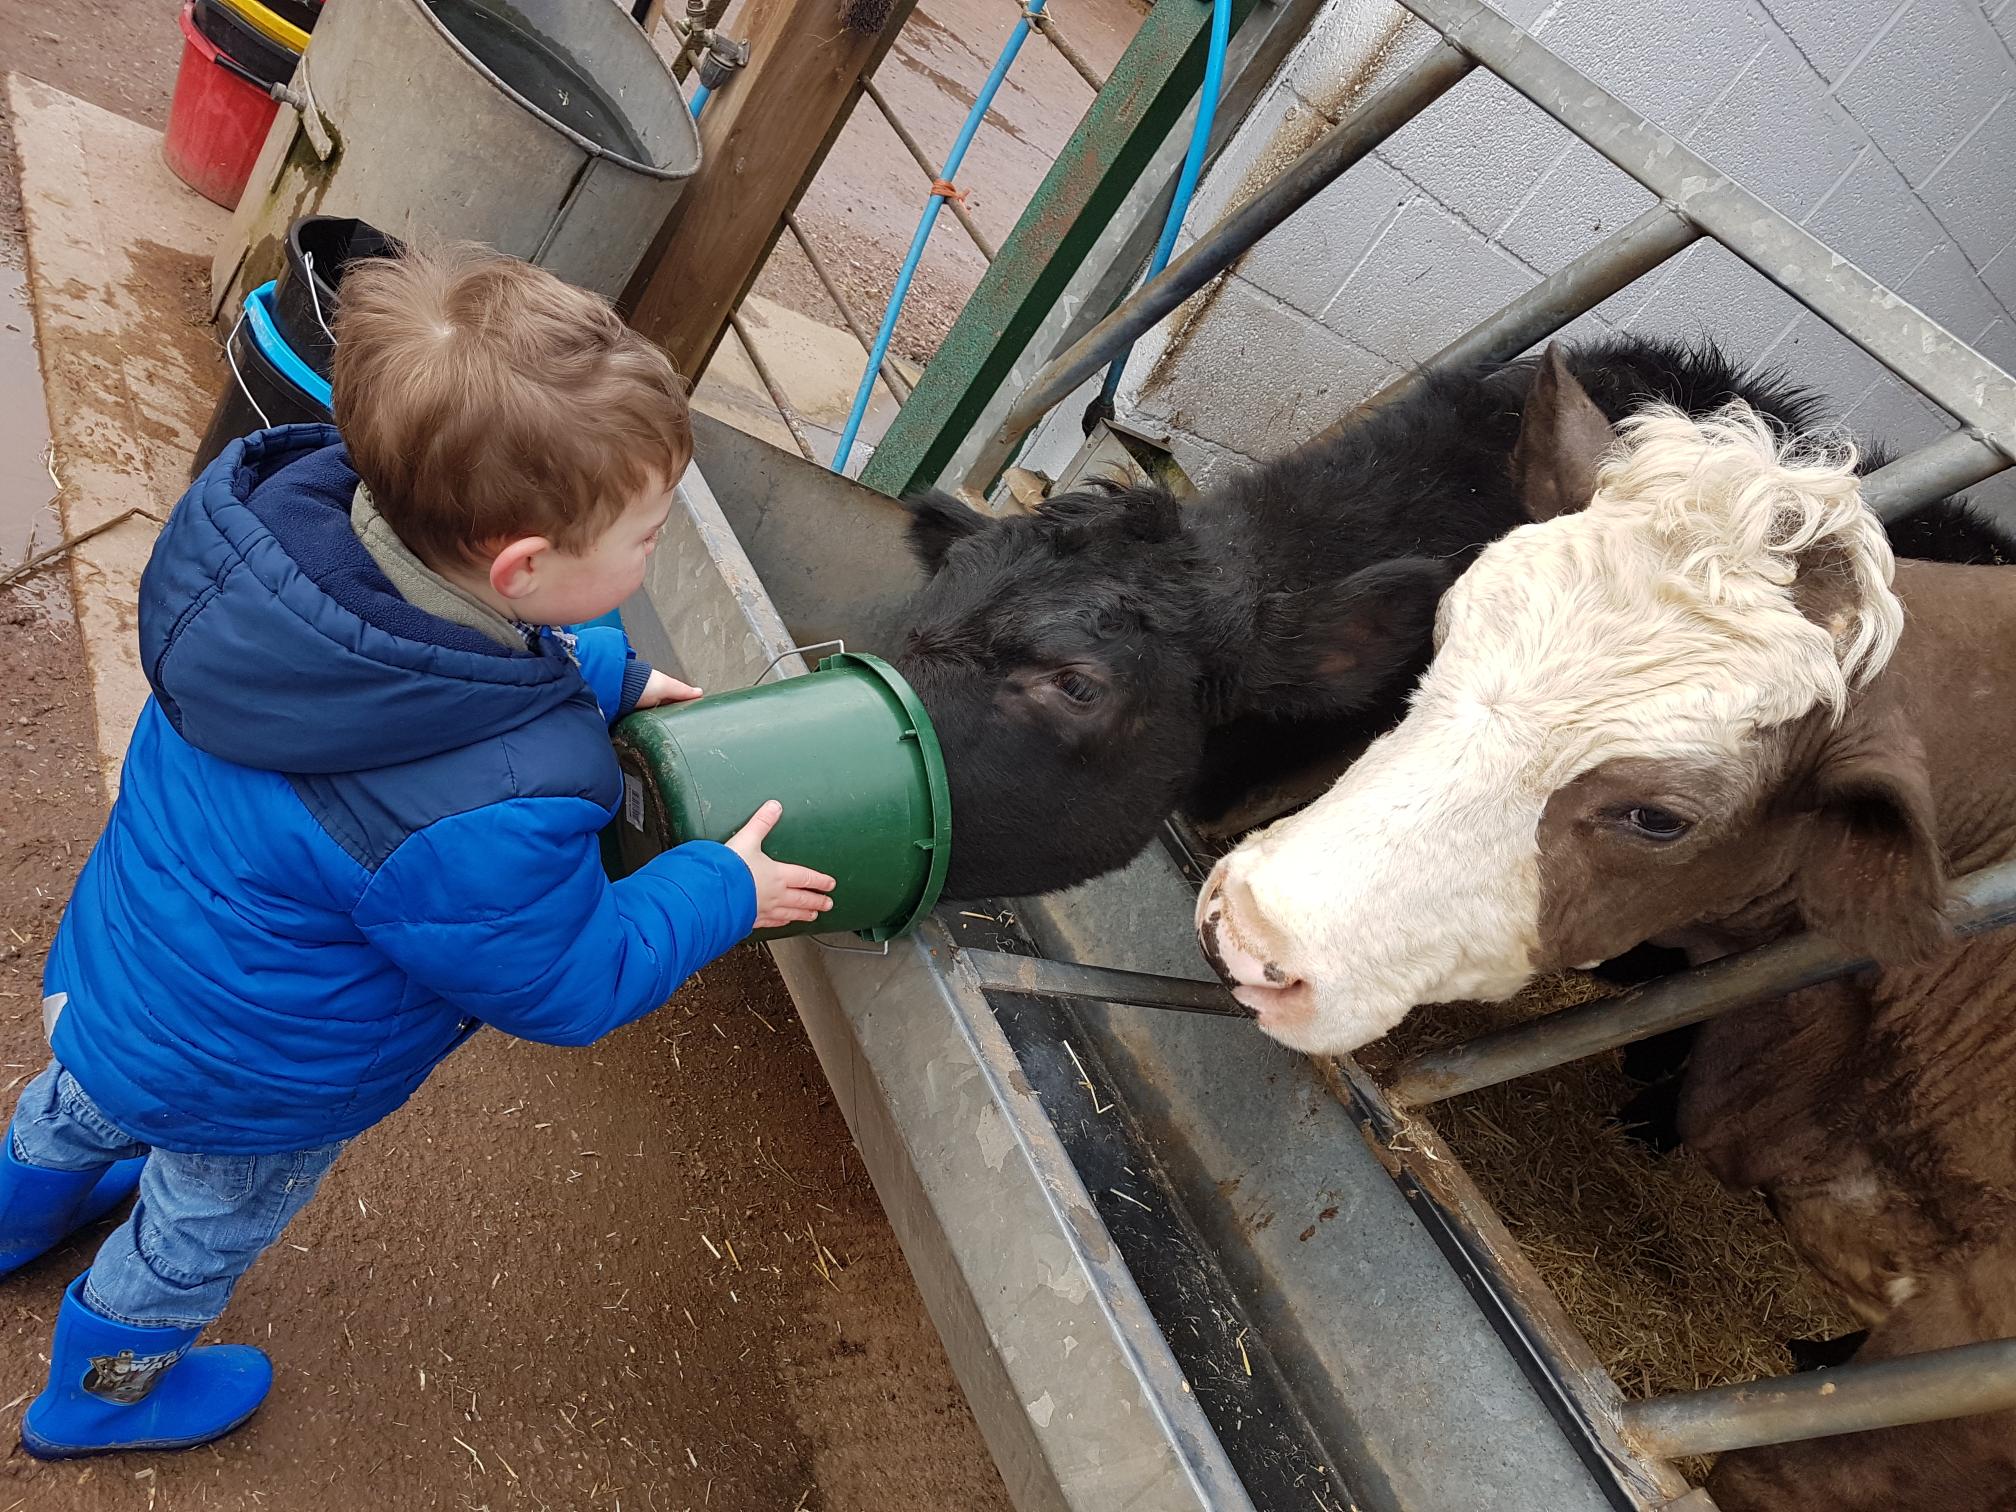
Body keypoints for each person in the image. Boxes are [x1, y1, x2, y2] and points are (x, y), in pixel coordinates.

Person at [0, 245, 836, 1458]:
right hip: (253, 1080)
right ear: (525, 568)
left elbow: (448, 657)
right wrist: (722, 887)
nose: (653, 558)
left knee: (80, 1103)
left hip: (124, 975)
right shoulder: (493, 809)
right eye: (647, 537)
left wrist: (605, 671)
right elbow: (568, 978)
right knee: (197, 1227)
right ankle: (103, 1391)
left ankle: (16, 1214)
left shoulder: (268, 560)